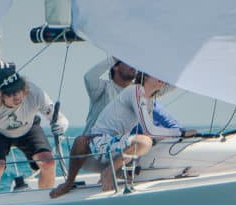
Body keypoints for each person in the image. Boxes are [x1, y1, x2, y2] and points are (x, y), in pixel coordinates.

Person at [50, 58, 182, 197]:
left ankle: (114, 172)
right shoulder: (106, 89)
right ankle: (72, 182)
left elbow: (170, 84)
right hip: (94, 148)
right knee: (82, 140)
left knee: (146, 151)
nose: (134, 65)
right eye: (127, 61)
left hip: (119, 147)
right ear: (115, 67)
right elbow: (89, 77)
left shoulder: (145, 94)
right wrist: (116, 56)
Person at [0, 67, 69, 194]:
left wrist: (61, 125)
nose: (16, 96)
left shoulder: (35, 93)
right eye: (10, 93)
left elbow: (60, 118)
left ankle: (46, 201)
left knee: (48, 163)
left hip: (28, 126)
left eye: (19, 90)